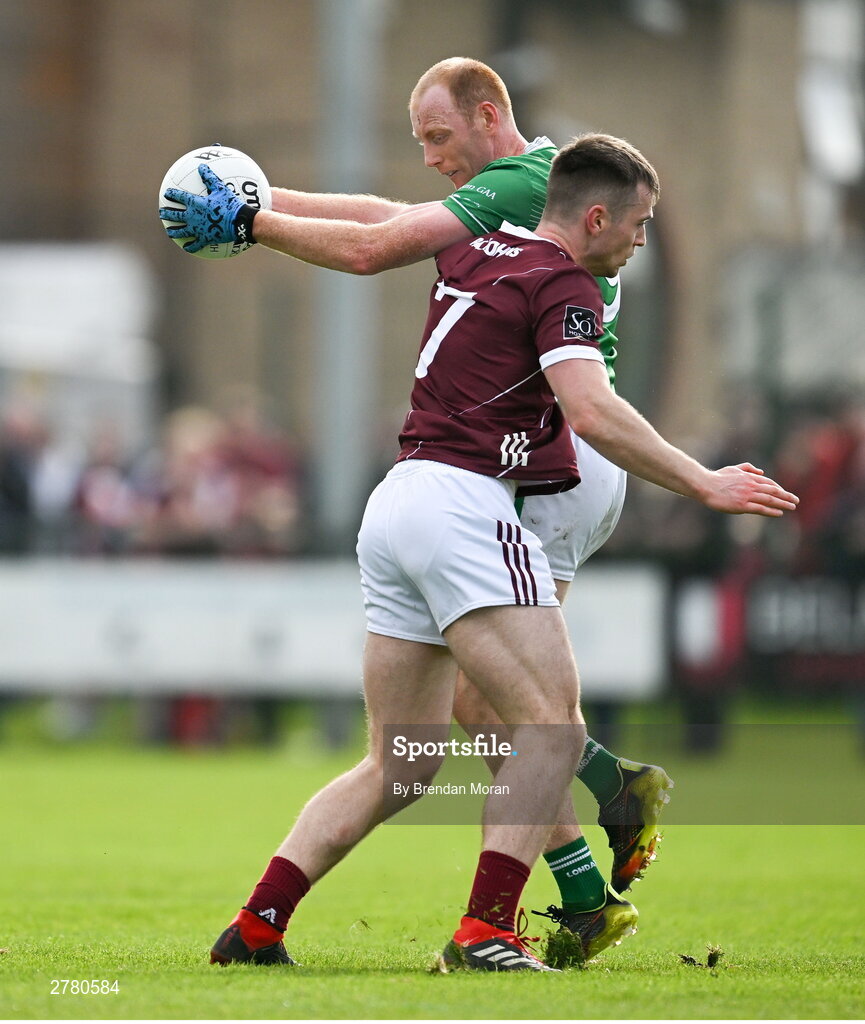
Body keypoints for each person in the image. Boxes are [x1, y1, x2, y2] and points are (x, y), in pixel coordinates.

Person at [163, 132, 798, 972]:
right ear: (596, 216)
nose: (640, 243)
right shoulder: (569, 282)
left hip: (396, 505)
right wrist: (702, 481)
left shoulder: (473, 245)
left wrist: (263, 208)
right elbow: (594, 412)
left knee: (401, 764)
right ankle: (486, 931)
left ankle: (255, 928)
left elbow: (376, 228)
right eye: (638, 224)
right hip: (465, 505)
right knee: (549, 728)